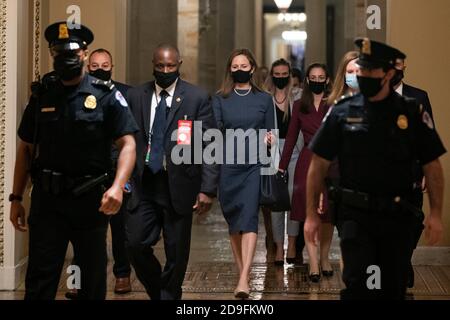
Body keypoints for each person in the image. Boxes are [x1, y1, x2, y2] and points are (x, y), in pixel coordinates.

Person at [305, 38, 446, 300]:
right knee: (358, 285)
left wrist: (436, 213)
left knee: (392, 286)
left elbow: (433, 165)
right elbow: (317, 165)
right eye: (362, 69)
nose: (364, 75)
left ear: (389, 74)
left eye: (371, 70)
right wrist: (311, 214)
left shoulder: (412, 112)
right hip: (356, 215)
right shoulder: (341, 112)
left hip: (398, 214)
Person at [9, 22, 138, 300]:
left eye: (72, 52)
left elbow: (128, 144)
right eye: (58, 52)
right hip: (48, 201)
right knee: (40, 282)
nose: (65, 57)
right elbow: (26, 149)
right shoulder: (43, 93)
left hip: (90, 202)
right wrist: (16, 197)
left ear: (83, 53)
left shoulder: (105, 95)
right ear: (51, 54)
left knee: (92, 283)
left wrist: (117, 186)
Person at [125, 44, 219, 300]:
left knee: (176, 253)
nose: (165, 71)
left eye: (171, 66)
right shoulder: (136, 96)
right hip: (144, 184)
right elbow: (125, 139)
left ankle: (168, 295)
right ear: (152, 64)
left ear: (179, 64)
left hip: (179, 185)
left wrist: (207, 189)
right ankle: (161, 292)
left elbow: (209, 144)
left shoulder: (196, 97)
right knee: (134, 244)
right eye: (160, 66)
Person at [65, 49, 134, 298]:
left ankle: (122, 274)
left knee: (119, 229)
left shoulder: (124, 93)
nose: (100, 68)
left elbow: (130, 139)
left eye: (105, 64)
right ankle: (76, 279)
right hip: (86, 175)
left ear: (112, 65)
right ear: (87, 66)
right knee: (80, 232)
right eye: (95, 65)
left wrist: (125, 179)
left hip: (116, 174)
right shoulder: (76, 92)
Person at [212, 48, 275, 299]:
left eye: (244, 66)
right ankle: (243, 275)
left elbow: (272, 131)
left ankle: (243, 279)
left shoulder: (264, 99)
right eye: (235, 66)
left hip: (254, 166)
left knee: (249, 218)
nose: (239, 70)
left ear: (252, 68)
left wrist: (270, 139)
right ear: (230, 69)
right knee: (234, 222)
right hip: (228, 166)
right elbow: (215, 133)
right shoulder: (219, 98)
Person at [278, 63, 334, 282]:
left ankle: (325, 257)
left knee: (328, 215)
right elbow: (291, 138)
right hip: (307, 163)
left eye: (321, 77)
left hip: (331, 163)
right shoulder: (300, 105)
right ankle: (312, 261)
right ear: (308, 81)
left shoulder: (335, 104)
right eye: (313, 77)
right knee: (308, 213)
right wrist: (282, 166)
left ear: (327, 80)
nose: (317, 80)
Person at [392, 54, 436, 288]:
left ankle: (403, 262)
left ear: (404, 67)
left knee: (411, 221)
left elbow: (428, 137)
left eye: (400, 65)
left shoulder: (419, 96)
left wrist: (427, 171)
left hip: (412, 174)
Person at [264, 59, 301, 266]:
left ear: (289, 74)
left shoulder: (297, 97)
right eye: (276, 73)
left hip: (295, 149)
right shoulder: (265, 98)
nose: (280, 77)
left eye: (284, 73)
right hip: (272, 151)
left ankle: (293, 244)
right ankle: (278, 247)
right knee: (277, 200)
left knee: (294, 198)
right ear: (272, 74)